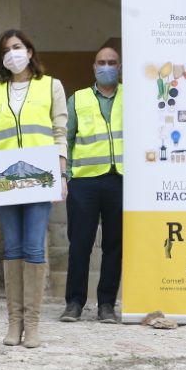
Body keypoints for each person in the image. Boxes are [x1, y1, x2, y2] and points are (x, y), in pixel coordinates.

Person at [0, 29, 68, 348]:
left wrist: (62, 174)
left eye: (17, 47)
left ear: (30, 51)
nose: (12, 53)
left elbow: (60, 132)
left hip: (39, 177)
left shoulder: (51, 86)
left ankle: (32, 325)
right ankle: (13, 324)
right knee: (12, 248)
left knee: (33, 247)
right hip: (5, 182)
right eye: (5, 50)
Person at [62, 46, 124, 323]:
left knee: (114, 245)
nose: (107, 67)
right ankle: (74, 303)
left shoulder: (132, 98)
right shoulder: (77, 99)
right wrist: (68, 175)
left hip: (121, 179)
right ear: (93, 67)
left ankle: (107, 305)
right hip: (84, 182)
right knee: (80, 244)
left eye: (112, 62)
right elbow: (65, 138)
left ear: (120, 66)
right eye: (102, 62)